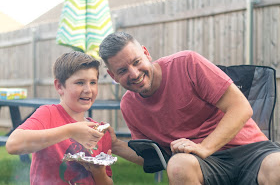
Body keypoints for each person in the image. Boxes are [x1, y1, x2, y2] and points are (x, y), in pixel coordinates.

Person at [99, 31, 280, 185]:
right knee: (178, 165)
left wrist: (205, 147)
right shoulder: (130, 106)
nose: (134, 73)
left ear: (146, 53)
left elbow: (241, 108)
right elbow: (154, 157)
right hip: (201, 164)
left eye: (136, 62)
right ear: (112, 76)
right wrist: (115, 145)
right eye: (122, 71)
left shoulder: (186, 63)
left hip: (251, 151)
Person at [6, 51, 113, 185]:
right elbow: (13, 145)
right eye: (80, 82)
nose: (88, 90)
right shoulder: (48, 114)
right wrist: (70, 131)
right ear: (59, 86)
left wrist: (99, 172)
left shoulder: (99, 131)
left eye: (93, 82)